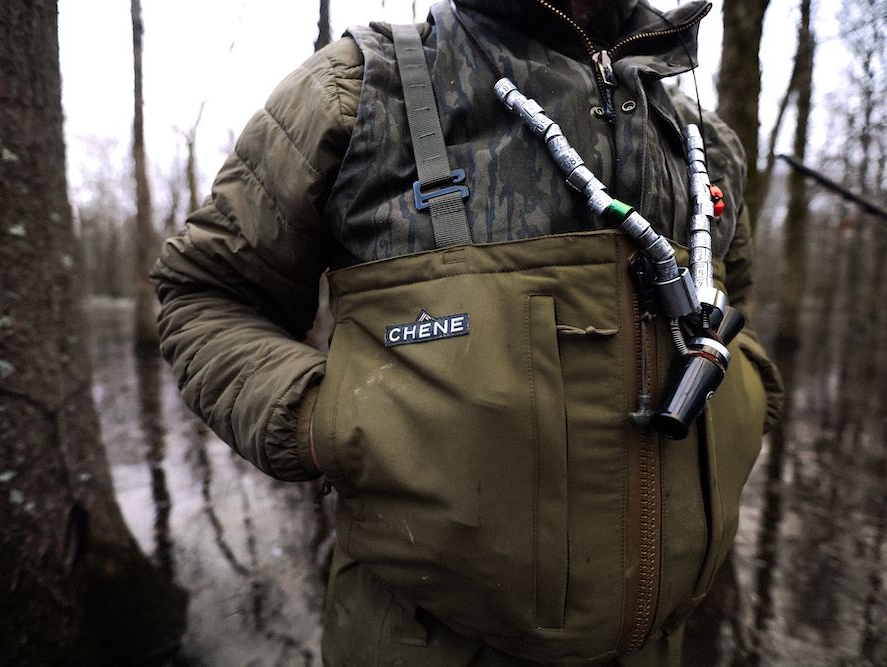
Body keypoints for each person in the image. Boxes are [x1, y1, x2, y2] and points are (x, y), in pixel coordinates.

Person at [151, 1, 783, 664]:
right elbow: (205, 292)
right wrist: (322, 421)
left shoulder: (702, 139)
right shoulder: (356, 90)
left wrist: (751, 393)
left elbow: (731, 305)